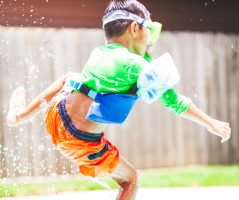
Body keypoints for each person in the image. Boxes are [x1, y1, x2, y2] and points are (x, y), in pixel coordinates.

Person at [7, 0, 231, 199]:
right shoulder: (137, 66)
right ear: (135, 28)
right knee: (131, 179)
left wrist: (145, 47)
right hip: (81, 141)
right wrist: (211, 123)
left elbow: (131, 63)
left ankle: (19, 115)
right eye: (149, 30)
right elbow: (175, 102)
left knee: (71, 78)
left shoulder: (101, 53)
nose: (151, 38)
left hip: (55, 118)